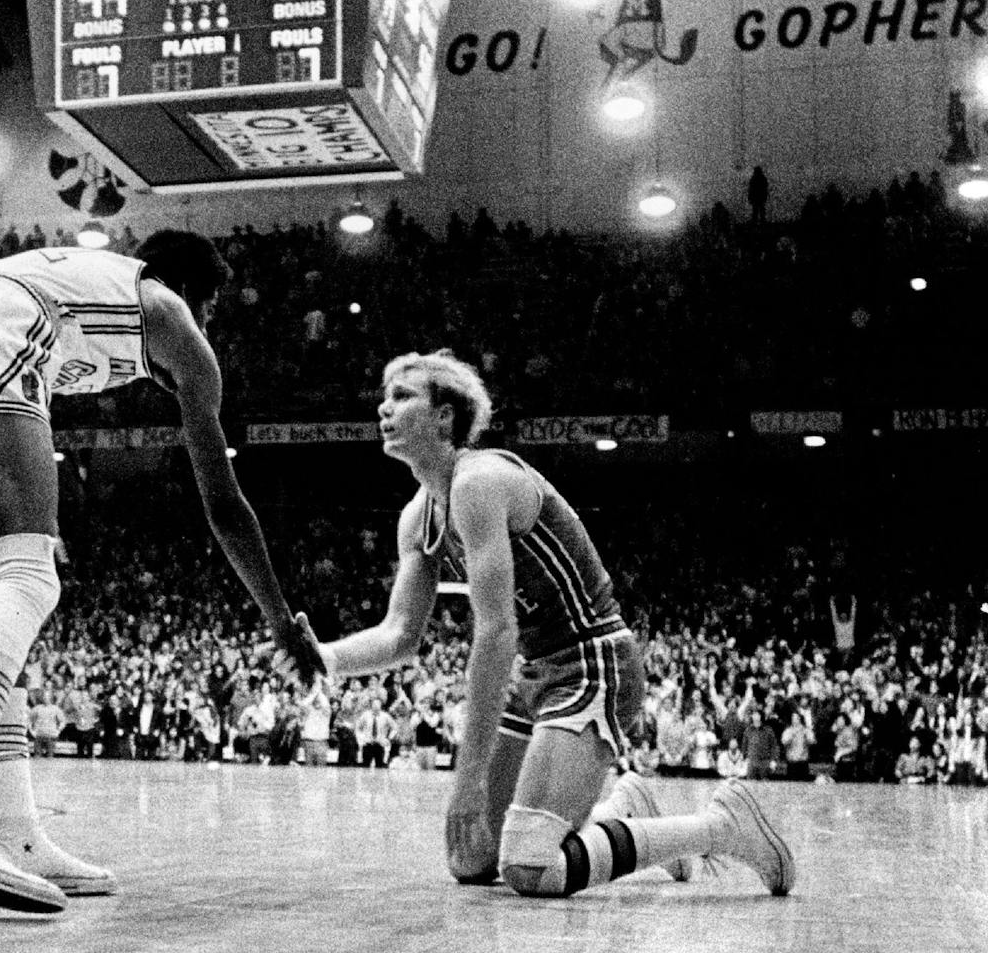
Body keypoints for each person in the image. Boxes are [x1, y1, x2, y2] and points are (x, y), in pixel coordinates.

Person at [0, 233, 322, 912]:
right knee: (31, 581)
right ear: (197, 293)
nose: (206, 323)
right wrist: (278, 618)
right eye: (212, 307)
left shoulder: (87, 284)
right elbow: (225, 507)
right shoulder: (171, 315)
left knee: (1, 594)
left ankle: (20, 831)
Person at [296, 350, 794, 897]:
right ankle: (624, 808)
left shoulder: (477, 482)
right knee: (472, 860)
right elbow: (399, 635)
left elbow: (496, 633)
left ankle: (721, 826)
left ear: (445, 416)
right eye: (385, 396)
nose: (383, 407)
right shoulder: (418, 515)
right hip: (538, 673)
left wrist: (466, 781)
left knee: (530, 868)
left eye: (402, 395)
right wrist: (325, 656)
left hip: (593, 661)